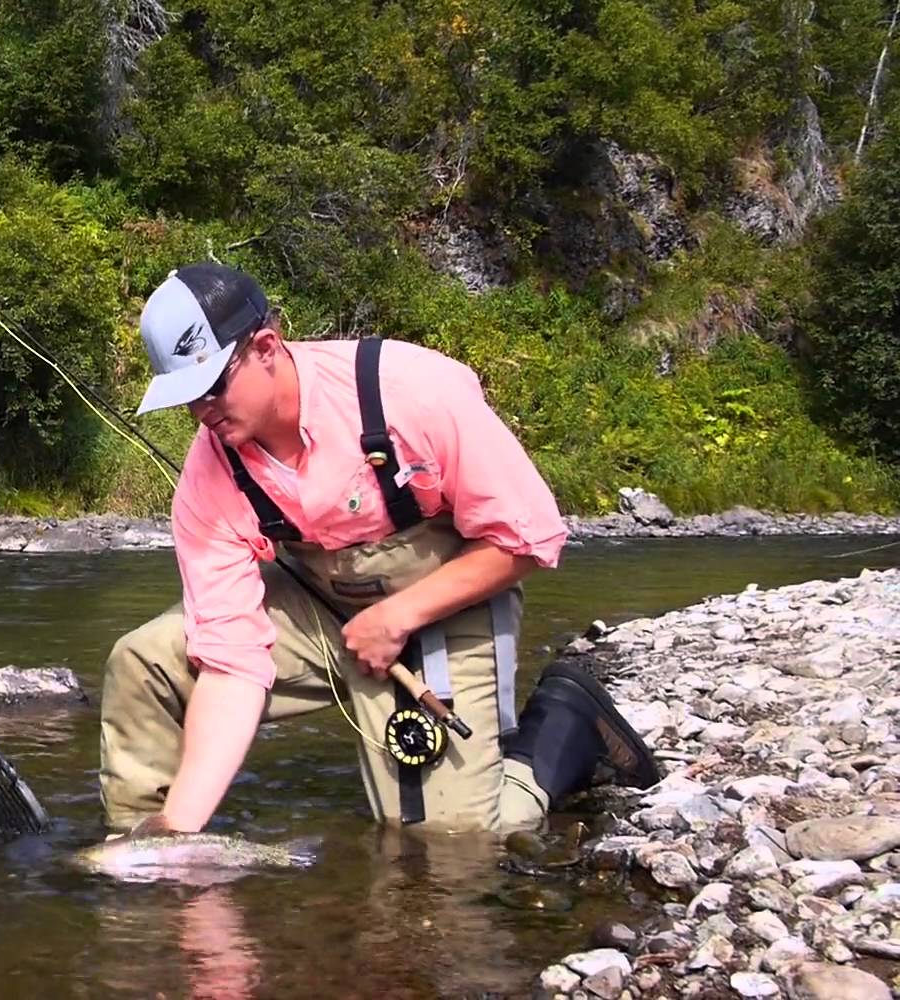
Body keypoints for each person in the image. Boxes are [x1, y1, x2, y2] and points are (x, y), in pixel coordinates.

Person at [99, 261, 660, 837]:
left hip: (449, 602)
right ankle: (143, 855)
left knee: (449, 842)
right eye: (186, 398)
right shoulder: (209, 472)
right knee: (147, 660)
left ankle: (567, 723)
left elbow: (530, 537)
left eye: (212, 387)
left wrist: (397, 616)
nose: (202, 412)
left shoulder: (411, 390)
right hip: (320, 613)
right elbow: (231, 659)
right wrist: (179, 832)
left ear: (266, 347)